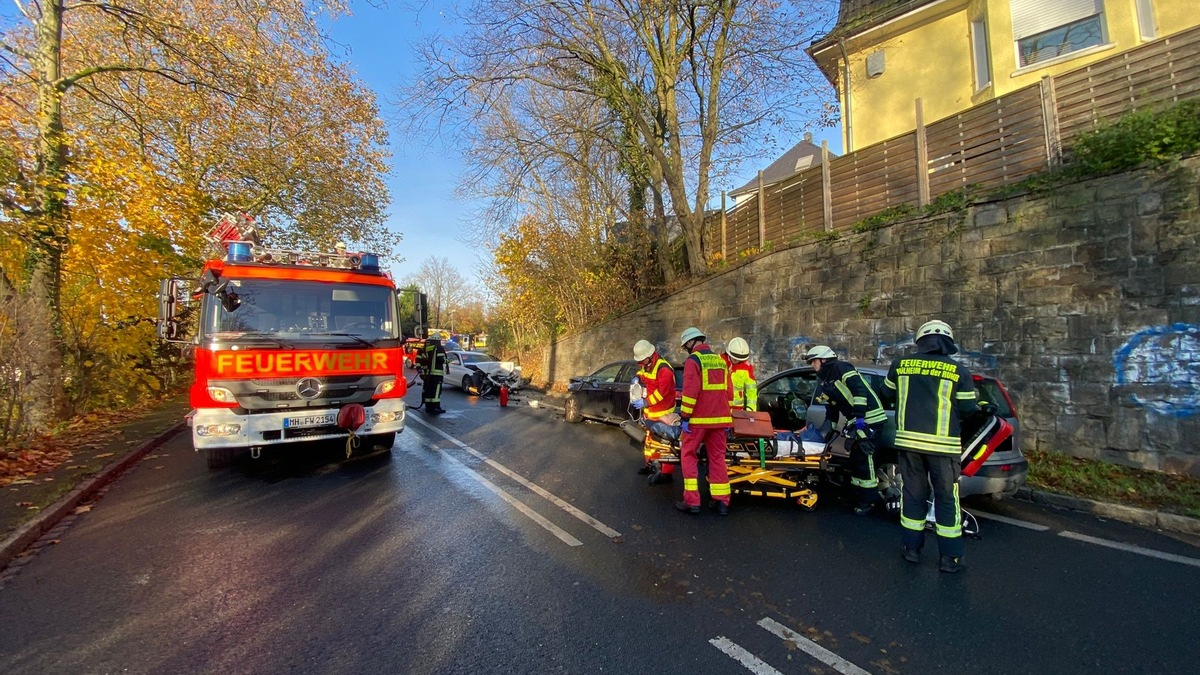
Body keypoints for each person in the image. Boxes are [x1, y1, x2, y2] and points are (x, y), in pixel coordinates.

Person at [880, 320, 978, 573]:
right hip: (943, 448)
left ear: (920, 341)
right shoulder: (959, 370)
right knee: (946, 499)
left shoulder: (900, 365)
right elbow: (969, 408)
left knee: (913, 495)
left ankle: (911, 550)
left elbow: (885, 394)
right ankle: (950, 558)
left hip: (909, 445)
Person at [804, 345, 889, 516]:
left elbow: (859, 391)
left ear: (824, 359)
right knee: (856, 461)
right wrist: (829, 429)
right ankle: (858, 497)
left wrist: (859, 418)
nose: (812, 365)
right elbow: (832, 408)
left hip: (870, 419)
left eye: (814, 361)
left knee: (865, 460)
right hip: (857, 420)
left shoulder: (841, 368)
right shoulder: (825, 380)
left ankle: (869, 502)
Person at [676, 327, 733, 516]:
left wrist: (685, 416)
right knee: (717, 458)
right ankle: (721, 502)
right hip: (720, 421)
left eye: (686, 345)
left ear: (690, 343)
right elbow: (729, 393)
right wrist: (727, 419)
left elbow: (690, 392)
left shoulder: (693, 361)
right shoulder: (720, 361)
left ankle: (692, 501)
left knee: (688, 455)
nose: (686, 349)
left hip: (698, 420)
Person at [632, 339, 678, 477]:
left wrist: (645, 402)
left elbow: (661, 394)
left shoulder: (664, 369)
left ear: (650, 356)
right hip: (651, 413)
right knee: (649, 442)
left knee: (664, 444)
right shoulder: (647, 365)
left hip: (663, 413)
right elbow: (642, 374)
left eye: (642, 361)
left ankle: (666, 473)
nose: (640, 364)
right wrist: (636, 378)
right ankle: (650, 464)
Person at [722, 337, 758, 412]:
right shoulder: (720, 362)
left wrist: (750, 411)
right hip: (721, 407)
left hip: (737, 410)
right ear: (729, 353)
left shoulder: (747, 367)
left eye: (740, 359)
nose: (737, 360)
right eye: (735, 358)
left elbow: (751, 391)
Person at [419, 338, 448, 415]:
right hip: (437, 374)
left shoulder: (428, 348)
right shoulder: (439, 348)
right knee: (436, 391)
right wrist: (447, 360)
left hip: (429, 374)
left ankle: (429, 407)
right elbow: (441, 359)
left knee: (430, 391)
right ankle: (436, 407)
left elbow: (423, 360)